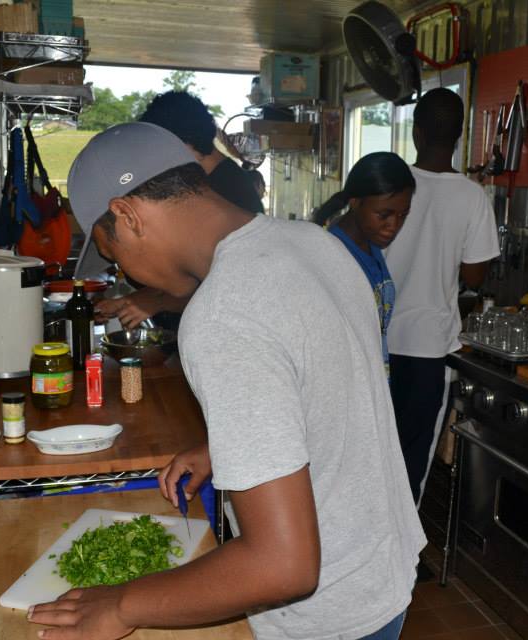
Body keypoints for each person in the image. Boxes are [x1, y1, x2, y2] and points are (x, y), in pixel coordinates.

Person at [29, 122, 426, 640]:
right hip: (382, 569)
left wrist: (121, 606)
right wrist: (236, 445)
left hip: (329, 614)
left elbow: (282, 565)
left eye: (112, 253)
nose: (125, 273)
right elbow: (329, 390)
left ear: (127, 214)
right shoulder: (313, 242)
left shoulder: (221, 315)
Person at [384, 88, 500, 505]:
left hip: (373, 341)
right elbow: (474, 275)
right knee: (411, 464)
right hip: (429, 350)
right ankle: (401, 544)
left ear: (416, 132)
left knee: (368, 452)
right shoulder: (472, 196)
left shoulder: (390, 182)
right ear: (460, 135)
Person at [84, 91, 265, 329]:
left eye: (157, 149)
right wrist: (134, 300)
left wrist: (156, 302)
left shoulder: (228, 191)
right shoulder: (205, 183)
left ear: (181, 143)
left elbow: (228, 285)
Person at [312, 152, 415, 369]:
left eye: (402, 215)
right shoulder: (335, 255)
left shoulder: (370, 246)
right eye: (383, 215)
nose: (393, 226)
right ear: (355, 202)